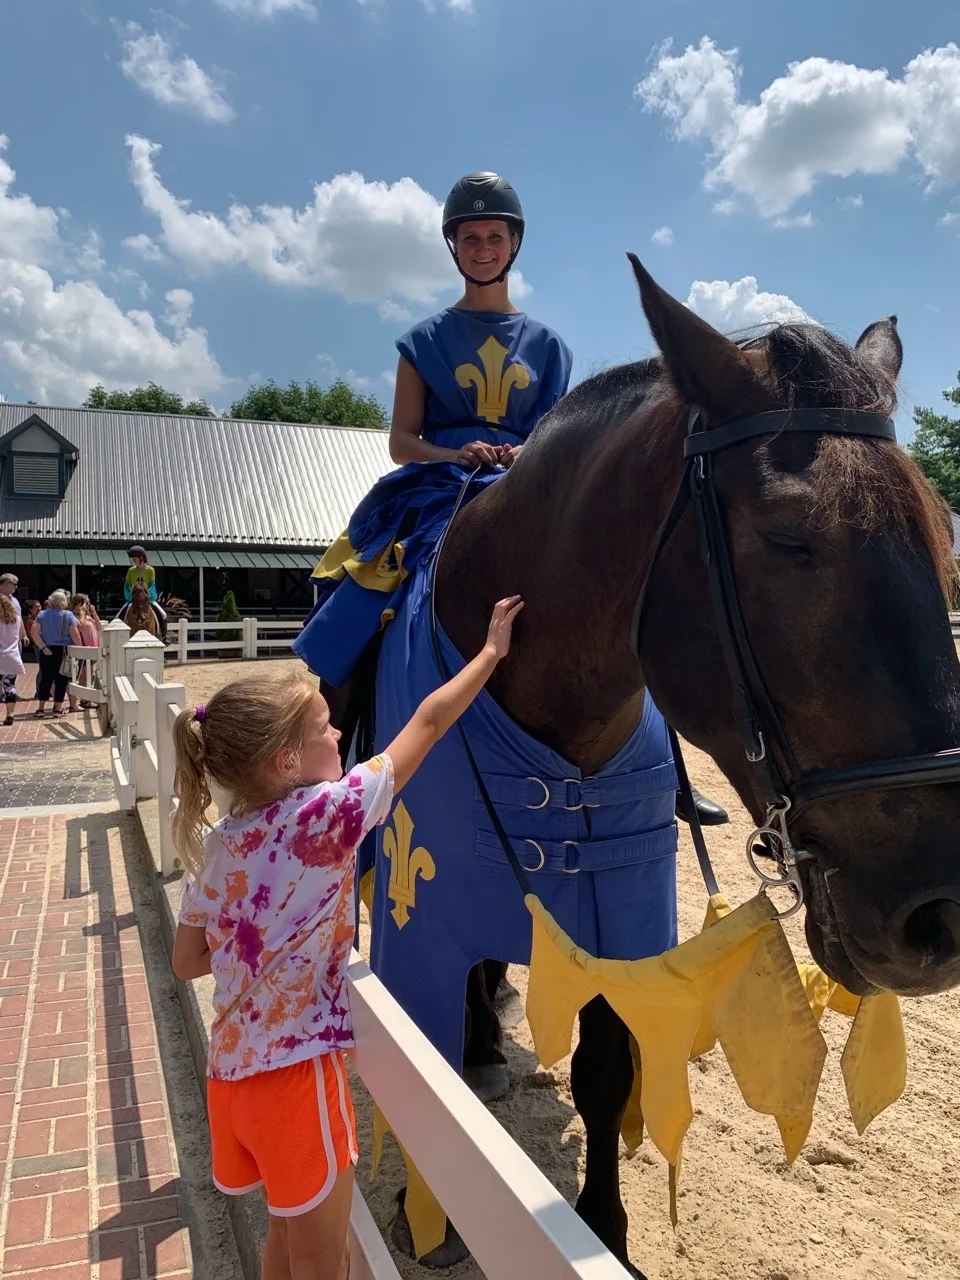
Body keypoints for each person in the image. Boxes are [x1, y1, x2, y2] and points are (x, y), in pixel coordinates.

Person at [171, 596, 523, 1280]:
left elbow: (188, 961)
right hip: (296, 1080)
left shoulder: (220, 846)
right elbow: (428, 719)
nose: (340, 738)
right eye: (327, 730)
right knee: (323, 1262)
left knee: (284, 1239)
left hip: (233, 1079)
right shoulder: (327, 818)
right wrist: (490, 653)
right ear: (283, 762)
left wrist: (256, 935)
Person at [294, 172, 571, 693]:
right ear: (454, 247)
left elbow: (558, 436)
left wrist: (527, 452)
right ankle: (344, 709)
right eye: (470, 237)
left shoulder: (551, 347)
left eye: (494, 237)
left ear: (514, 243)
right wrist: (454, 452)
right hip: (442, 485)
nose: (482, 249)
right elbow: (401, 443)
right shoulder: (422, 342)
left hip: (528, 481)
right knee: (367, 592)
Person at [29, 590, 80, 718]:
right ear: (63, 602)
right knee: (61, 680)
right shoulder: (68, 615)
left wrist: (43, 647)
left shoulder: (42, 614)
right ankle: (57, 708)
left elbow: (34, 632)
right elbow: (75, 634)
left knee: (46, 679)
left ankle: (40, 708)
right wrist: (80, 648)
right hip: (63, 651)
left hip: (47, 650)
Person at [120, 546, 167, 632]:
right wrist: (129, 597)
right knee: (118, 616)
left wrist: (148, 596)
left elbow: (152, 585)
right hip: (133, 599)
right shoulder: (130, 571)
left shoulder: (150, 570)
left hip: (147, 598)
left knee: (163, 614)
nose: (133, 561)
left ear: (141, 558)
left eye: (134, 559)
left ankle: (164, 636)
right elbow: (127, 586)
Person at [0, 574, 26, 727]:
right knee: (10, 684)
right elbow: (20, 633)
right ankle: (10, 714)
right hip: (12, 655)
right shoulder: (17, 619)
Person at [70, 593, 102, 709]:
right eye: (86, 603)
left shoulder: (87, 616)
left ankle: (86, 699)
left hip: (93, 649)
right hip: (84, 650)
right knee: (85, 675)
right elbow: (81, 626)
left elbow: (99, 627)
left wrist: (94, 613)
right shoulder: (74, 617)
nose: (88, 605)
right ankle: (85, 700)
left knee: (91, 674)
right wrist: (82, 611)